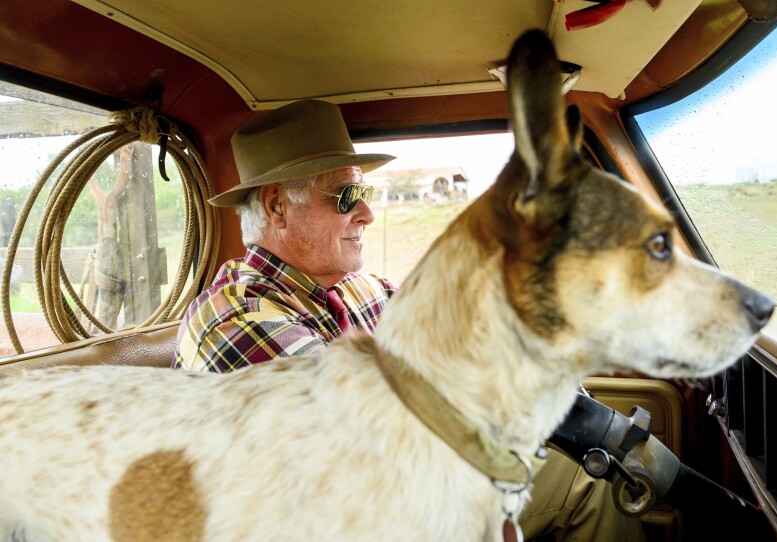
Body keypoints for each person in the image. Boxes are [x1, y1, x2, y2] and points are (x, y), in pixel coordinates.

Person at [173, 99, 645, 542]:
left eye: (365, 192)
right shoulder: (231, 318)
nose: (367, 213)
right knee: (590, 477)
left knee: (589, 453)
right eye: (346, 196)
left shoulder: (357, 287)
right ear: (276, 206)